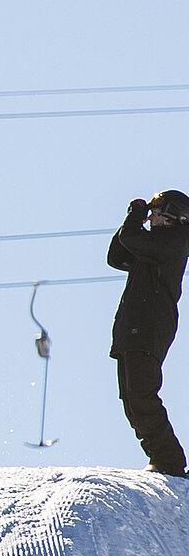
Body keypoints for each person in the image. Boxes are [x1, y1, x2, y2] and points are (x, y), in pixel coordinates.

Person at [108, 191, 189, 477]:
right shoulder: (153, 245)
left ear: (174, 216)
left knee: (142, 394)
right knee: (131, 397)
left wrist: (134, 218)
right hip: (132, 329)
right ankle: (160, 458)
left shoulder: (175, 242)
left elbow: (131, 239)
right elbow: (116, 255)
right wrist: (133, 220)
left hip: (148, 327)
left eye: (156, 212)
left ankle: (169, 461)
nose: (151, 218)